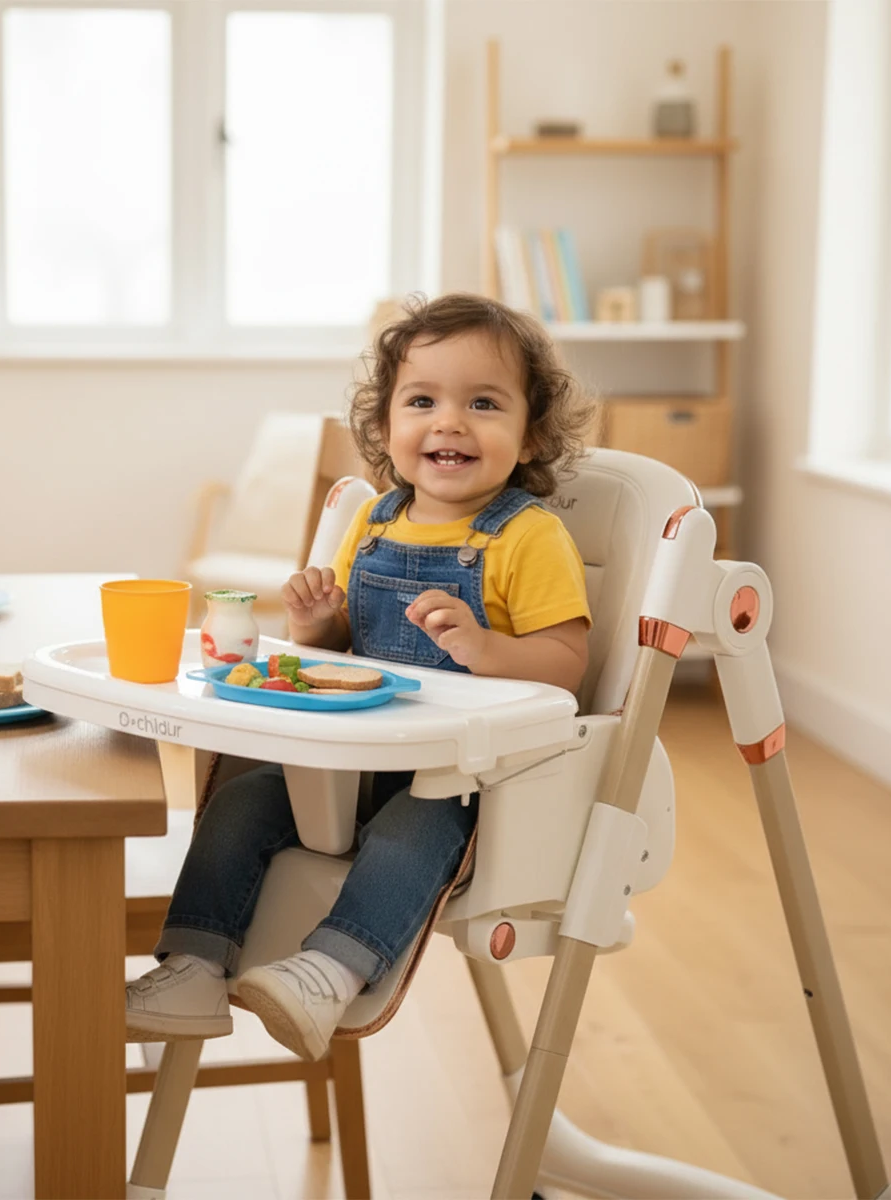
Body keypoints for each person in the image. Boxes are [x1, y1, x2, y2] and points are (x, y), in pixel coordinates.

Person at [127, 293, 596, 1061]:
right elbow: (344, 651)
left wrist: (486, 647)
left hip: (454, 773)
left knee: (415, 831)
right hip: (349, 758)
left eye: (482, 403)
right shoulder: (374, 520)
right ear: (385, 428)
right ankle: (193, 966)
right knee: (242, 800)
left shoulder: (529, 537)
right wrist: (315, 626)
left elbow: (566, 662)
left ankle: (330, 972)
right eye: (422, 401)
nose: (448, 422)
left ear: (531, 431)